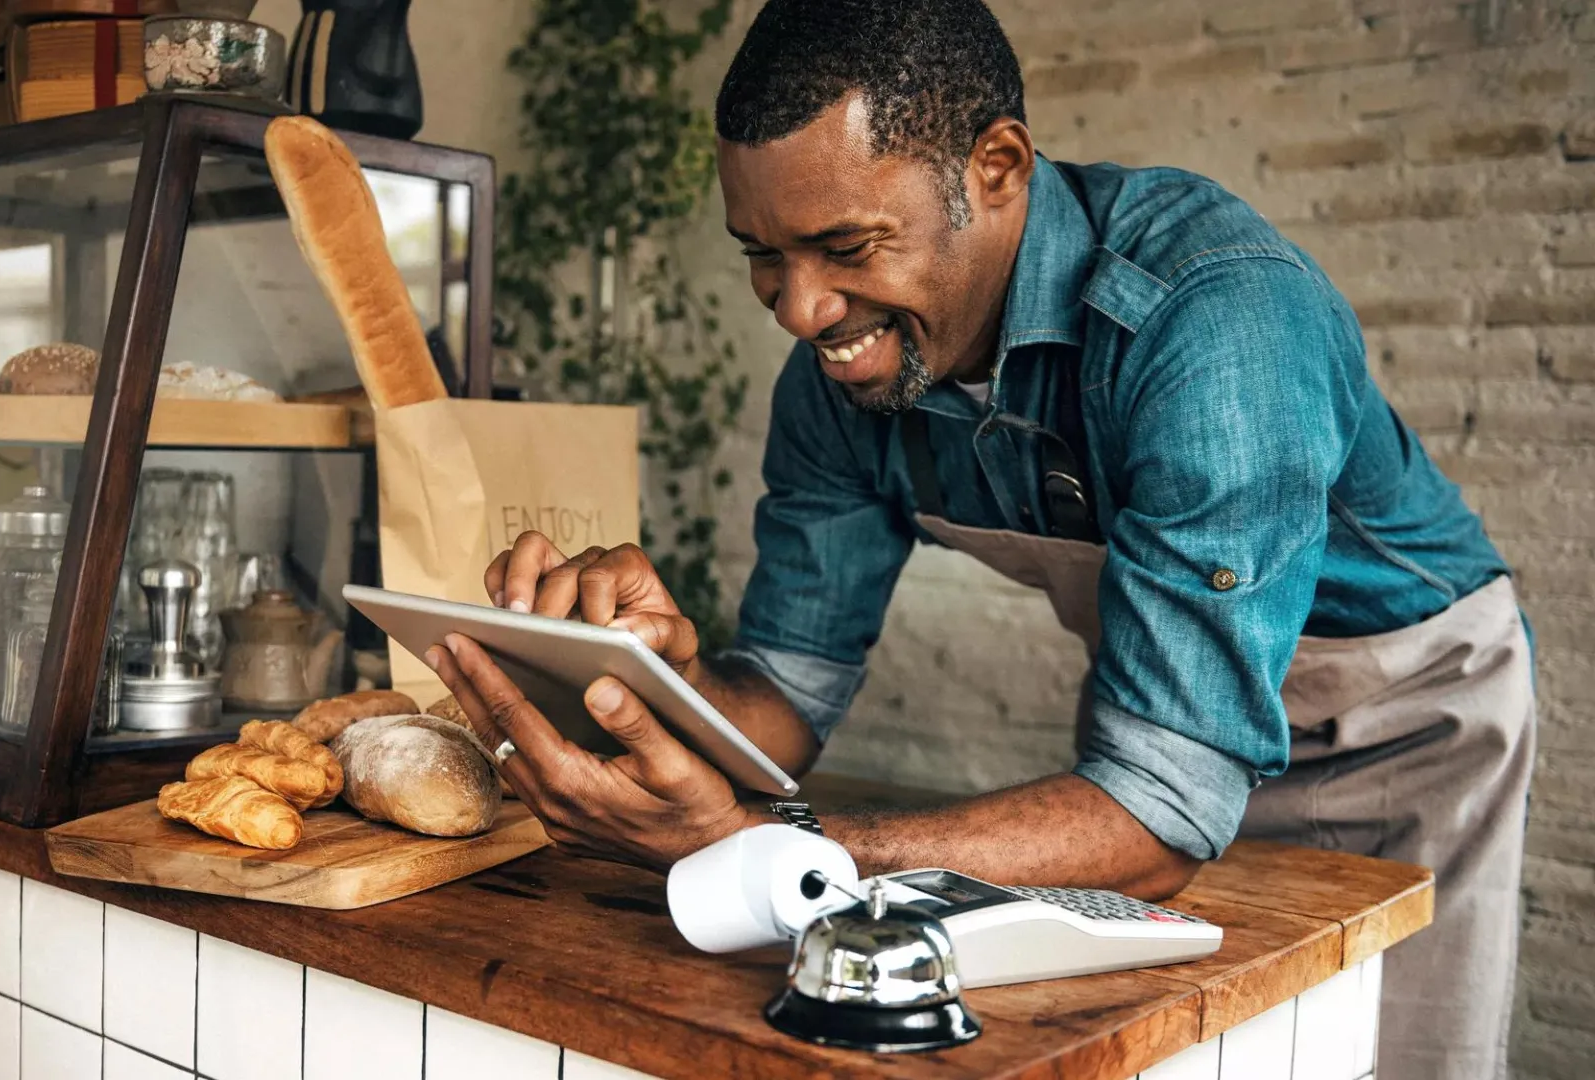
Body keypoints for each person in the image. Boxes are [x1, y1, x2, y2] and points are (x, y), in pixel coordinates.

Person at [425, 2, 1534, 1077]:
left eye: (844, 243)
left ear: (997, 165)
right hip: (1162, 736)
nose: (801, 310)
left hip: (1404, 720)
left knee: (1384, 1053)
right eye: (762, 254)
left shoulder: (1214, 322)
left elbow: (1158, 812)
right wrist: (643, 685)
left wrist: (780, 849)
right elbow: (787, 698)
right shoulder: (844, 371)